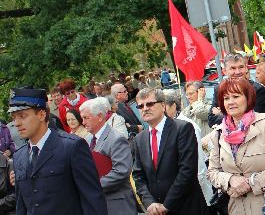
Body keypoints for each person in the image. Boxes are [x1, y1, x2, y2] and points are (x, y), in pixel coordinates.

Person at [10, 86, 107, 214]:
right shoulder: (19, 156)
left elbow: (93, 200)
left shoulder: (72, 147)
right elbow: (21, 207)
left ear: (41, 114)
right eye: (13, 117)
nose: (16, 123)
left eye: (22, 116)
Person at [207, 77, 265, 214]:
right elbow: (212, 172)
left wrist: (250, 183)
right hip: (236, 208)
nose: (231, 102)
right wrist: (230, 180)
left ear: (248, 98)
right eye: (226, 98)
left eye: (236, 96)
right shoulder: (218, 133)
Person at [132, 87, 208, 215]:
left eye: (150, 104)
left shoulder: (183, 128)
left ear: (162, 105)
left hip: (187, 207)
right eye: (140, 106)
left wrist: (167, 205)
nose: (145, 108)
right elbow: (138, 175)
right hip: (156, 210)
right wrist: (149, 203)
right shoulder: (140, 139)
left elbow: (187, 170)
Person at [80, 98, 137, 214]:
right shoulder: (88, 139)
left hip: (117, 204)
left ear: (100, 116)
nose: (83, 122)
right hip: (98, 203)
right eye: (82, 118)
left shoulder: (116, 139)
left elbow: (122, 171)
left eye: (86, 118)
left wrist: (93, 185)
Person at [162, 90, 214, 208]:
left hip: (196, 193)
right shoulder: (164, 128)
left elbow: (198, 163)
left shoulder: (187, 126)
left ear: (174, 106)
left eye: (163, 106)